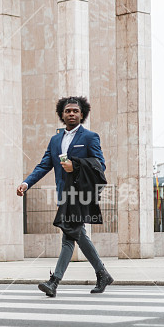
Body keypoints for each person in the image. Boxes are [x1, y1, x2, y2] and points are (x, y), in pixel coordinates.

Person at [16, 96, 114, 297]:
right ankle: (102, 273)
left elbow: (100, 165)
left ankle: (54, 282)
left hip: (81, 194)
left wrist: (75, 165)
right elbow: (44, 165)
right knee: (77, 234)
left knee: (70, 236)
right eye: (68, 111)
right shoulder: (55, 140)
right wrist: (27, 183)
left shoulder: (90, 137)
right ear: (62, 114)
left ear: (82, 114)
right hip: (64, 194)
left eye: (75, 111)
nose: (71, 114)